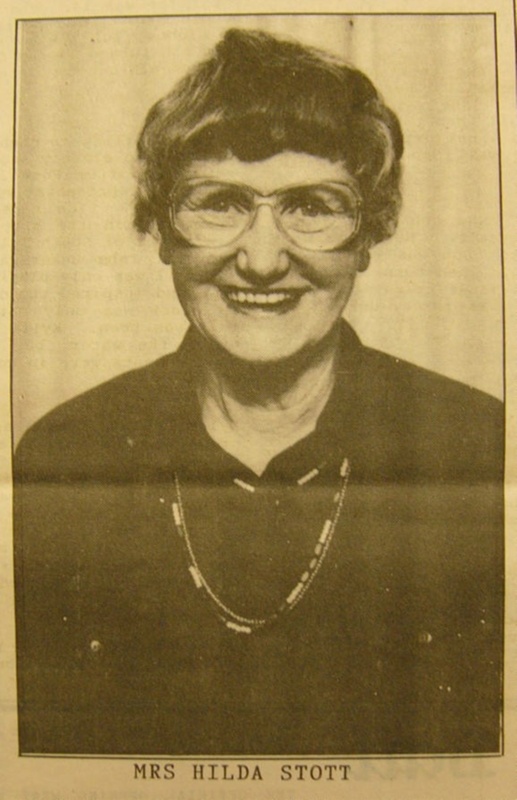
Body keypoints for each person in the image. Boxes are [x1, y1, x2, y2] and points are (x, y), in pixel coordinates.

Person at [14, 28, 503, 756]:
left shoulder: (478, 445)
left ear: (368, 235)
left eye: (312, 206)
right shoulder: (64, 454)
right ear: (162, 231)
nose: (264, 259)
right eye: (219, 202)